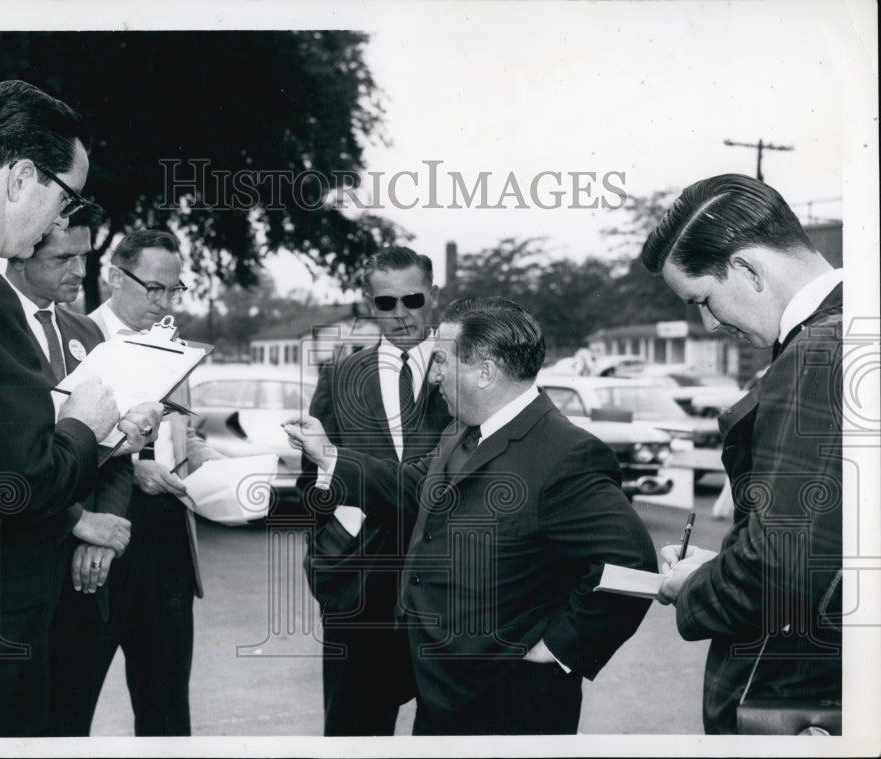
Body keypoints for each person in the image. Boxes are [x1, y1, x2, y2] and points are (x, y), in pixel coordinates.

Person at [0, 80, 161, 737]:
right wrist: (83, 424)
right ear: (21, 178)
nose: (56, 223)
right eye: (65, 198)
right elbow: (20, 482)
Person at [285, 297, 657, 735]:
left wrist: (559, 647)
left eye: (442, 361)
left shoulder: (567, 454)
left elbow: (633, 565)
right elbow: (411, 486)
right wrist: (329, 455)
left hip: (510, 702)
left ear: (485, 372)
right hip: (441, 686)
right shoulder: (461, 431)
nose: (434, 375)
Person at [642, 173, 843, 734]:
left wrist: (693, 587)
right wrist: (729, 562)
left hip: (797, 693)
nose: (708, 323)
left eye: (703, 300)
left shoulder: (819, 352)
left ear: (749, 269)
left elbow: (781, 567)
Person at [297, 247, 452, 736]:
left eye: (412, 299)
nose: (401, 314)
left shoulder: (464, 370)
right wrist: (329, 551)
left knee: (450, 737)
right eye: (386, 303)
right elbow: (311, 483)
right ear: (370, 304)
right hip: (358, 590)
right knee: (354, 736)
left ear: (432, 295)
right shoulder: (340, 376)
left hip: (447, 587)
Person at [3, 204, 137, 734]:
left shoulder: (89, 334)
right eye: (63, 258)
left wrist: (105, 535)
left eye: (85, 256)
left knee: (71, 726)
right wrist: (79, 521)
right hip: (19, 569)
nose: (80, 271)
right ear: (20, 253)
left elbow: (116, 451)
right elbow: (2, 459)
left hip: (88, 577)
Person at [85, 229, 219, 735]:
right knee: (71, 703)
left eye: (173, 290)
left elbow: (185, 435)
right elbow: (57, 443)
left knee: (166, 709)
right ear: (115, 277)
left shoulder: (174, 347)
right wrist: (131, 467)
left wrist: (219, 467)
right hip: (102, 533)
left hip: (168, 541)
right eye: (153, 288)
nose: (164, 302)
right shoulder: (77, 338)